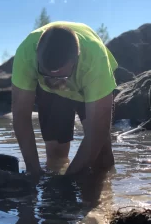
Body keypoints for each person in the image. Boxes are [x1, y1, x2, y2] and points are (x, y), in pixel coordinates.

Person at [11, 21, 118, 177]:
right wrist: (33, 170)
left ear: (76, 60)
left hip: (86, 87)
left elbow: (98, 130)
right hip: (49, 93)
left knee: (101, 157)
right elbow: (21, 115)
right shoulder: (25, 54)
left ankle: (103, 199)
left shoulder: (94, 60)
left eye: (61, 75)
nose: (55, 81)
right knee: (56, 153)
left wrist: (69, 179)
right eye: (48, 74)